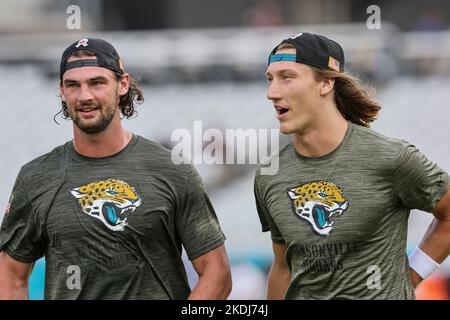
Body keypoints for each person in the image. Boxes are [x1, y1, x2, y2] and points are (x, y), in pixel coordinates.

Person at [0, 38, 232, 300]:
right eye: (73, 85)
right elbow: (10, 275)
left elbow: (217, 272)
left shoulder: (171, 169)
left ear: (122, 85)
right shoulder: (37, 178)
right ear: (62, 92)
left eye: (97, 83)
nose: (84, 96)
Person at [254, 32, 450, 299]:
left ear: (325, 84)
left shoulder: (391, 157)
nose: (271, 93)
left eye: (287, 77)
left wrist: (411, 276)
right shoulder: (270, 174)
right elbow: (282, 267)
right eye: (270, 79)